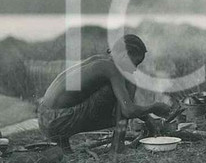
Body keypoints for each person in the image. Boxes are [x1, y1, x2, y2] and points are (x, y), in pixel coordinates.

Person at [37, 34, 174, 149]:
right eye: (135, 63)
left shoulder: (101, 60)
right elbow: (128, 111)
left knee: (122, 89)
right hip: (58, 123)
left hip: (45, 117)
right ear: (124, 55)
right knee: (129, 83)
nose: (135, 69)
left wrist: (147, 119)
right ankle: (118, 145)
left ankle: (64, 146)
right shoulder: (112, 69)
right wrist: (154, 107)